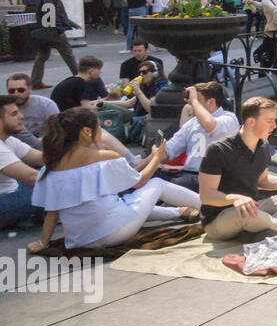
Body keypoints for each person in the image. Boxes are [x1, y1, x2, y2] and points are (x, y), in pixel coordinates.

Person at [28, 108, 200, 251]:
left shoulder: (51, 167)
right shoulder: (105, 157)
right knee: (157, 184)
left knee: (124, 201)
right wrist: (156, 158)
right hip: (115, 232)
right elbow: (139, 182)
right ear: (87, 132)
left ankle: (178, 213)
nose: (102, 130)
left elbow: (52, 212)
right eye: (99, 126)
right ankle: (210, 205)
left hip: (80, 241)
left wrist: (42, 243)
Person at [197, 96, 277, 240]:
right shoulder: (218, 150)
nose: (274, 126)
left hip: (253, 208)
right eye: (269, 121)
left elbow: (263, 181)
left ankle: (266, 230)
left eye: (274, 121)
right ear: (250, 121)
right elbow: (206, 196)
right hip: (220, 220)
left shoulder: (263, 146)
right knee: (246, 213)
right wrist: (235, 198)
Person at [158, 83, 239, 191]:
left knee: (161, 186)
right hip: (187, 175)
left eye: (196, 101)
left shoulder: (228, 119)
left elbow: (209, 125)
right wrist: (140, 167)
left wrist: (194, 101)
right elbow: (168, 150)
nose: (191, 105)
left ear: (211, 102)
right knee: (153, 178)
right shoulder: (191, 123)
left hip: (213, 179)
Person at [0, 95, 44, 227]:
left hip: (12, 190)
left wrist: (76, 158)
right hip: (4, 199)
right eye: (14, 114)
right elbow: (32, 177)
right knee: (49, 189)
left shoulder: (8, 139)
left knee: (50, 176)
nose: (21, 116)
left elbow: (42, 158)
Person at [29, 0, 78, 89]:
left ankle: (35, 81)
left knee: (42, 56)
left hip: (46, 31)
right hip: (54, 31)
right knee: (68, 54)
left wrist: (70, 23)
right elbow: (53, 14)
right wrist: (60, 28)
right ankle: (81, 77)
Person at [4, 74, 60, 150]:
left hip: (45, 146)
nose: (16, 94)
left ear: (30, 88)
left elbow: (58, 129)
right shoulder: (5, 109)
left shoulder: (46, 104)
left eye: (21, 90)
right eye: (11, 91)